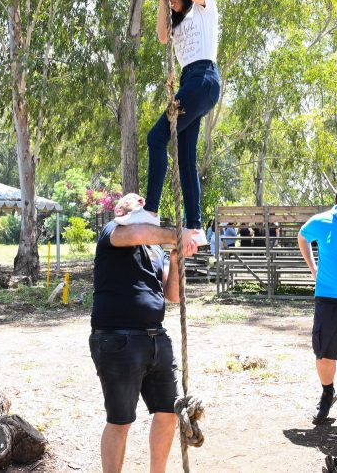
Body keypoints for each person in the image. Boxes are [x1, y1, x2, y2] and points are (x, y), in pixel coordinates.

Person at [89, 192, 199, 473]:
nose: (145, 205)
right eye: (137, 202)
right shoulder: (113, 231)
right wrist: (177, 234)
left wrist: (175, 258)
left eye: (147, 204)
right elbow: (138, 233)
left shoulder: (154, 249)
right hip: (118, 339)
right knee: (121, 420)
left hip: (156, 338)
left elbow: (172, 294)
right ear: (120, 210)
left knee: (168, 412)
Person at [138, 0, 220, 248]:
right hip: (191, 83)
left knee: (156, 138)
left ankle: (151, 211)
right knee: (186, 157)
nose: (173, 0)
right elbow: (161, 35)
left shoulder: (204, 5)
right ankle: (195, 225)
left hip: (204, 78)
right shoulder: (177, 23)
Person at [297, 184, 337, 427]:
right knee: (324, 354)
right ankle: (327, 393)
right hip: (329, 299)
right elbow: (302, 237)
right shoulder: (321, 221)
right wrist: (312, 268)